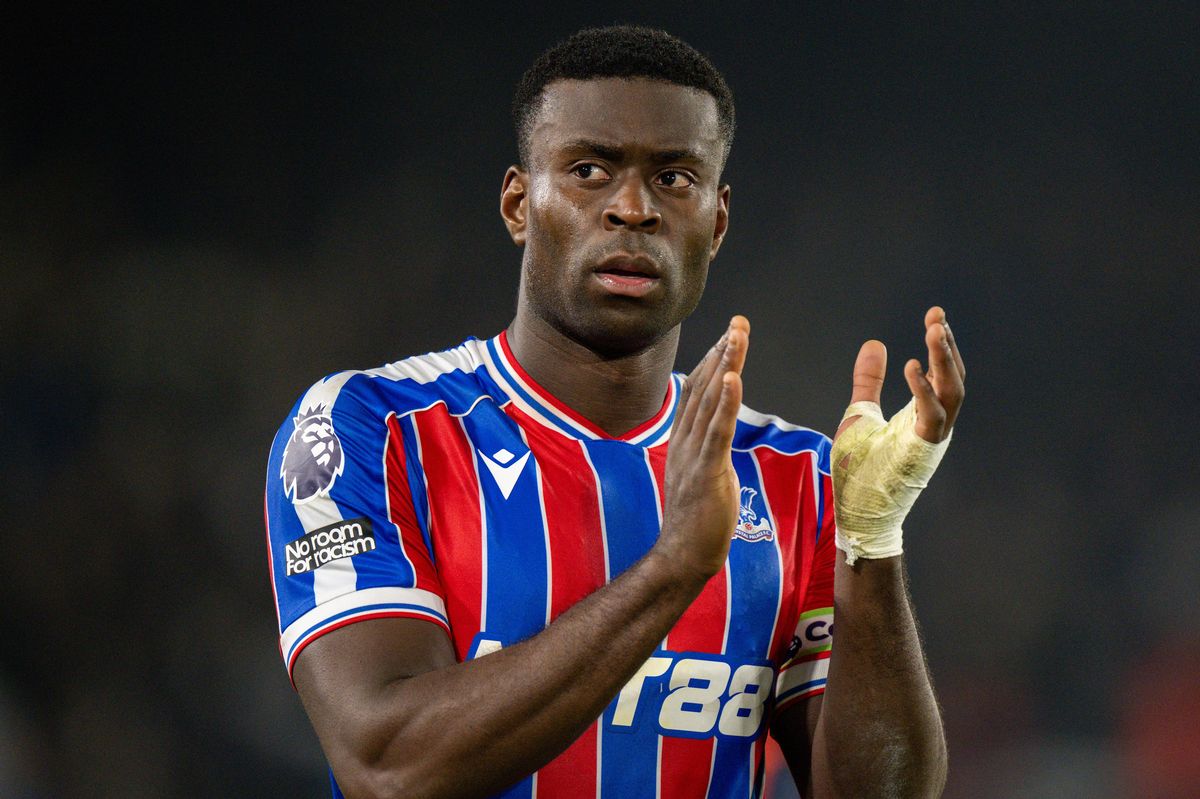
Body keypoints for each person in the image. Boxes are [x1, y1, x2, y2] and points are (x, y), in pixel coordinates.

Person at [264, 25, 964, 799]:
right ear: (518, 203)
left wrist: (871, 543)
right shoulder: (370, 429)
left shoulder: (794, 477)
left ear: (718, 221)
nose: (632, 207)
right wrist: (673, 569)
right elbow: (388, 766)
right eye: (590, 170)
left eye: (674, 179)